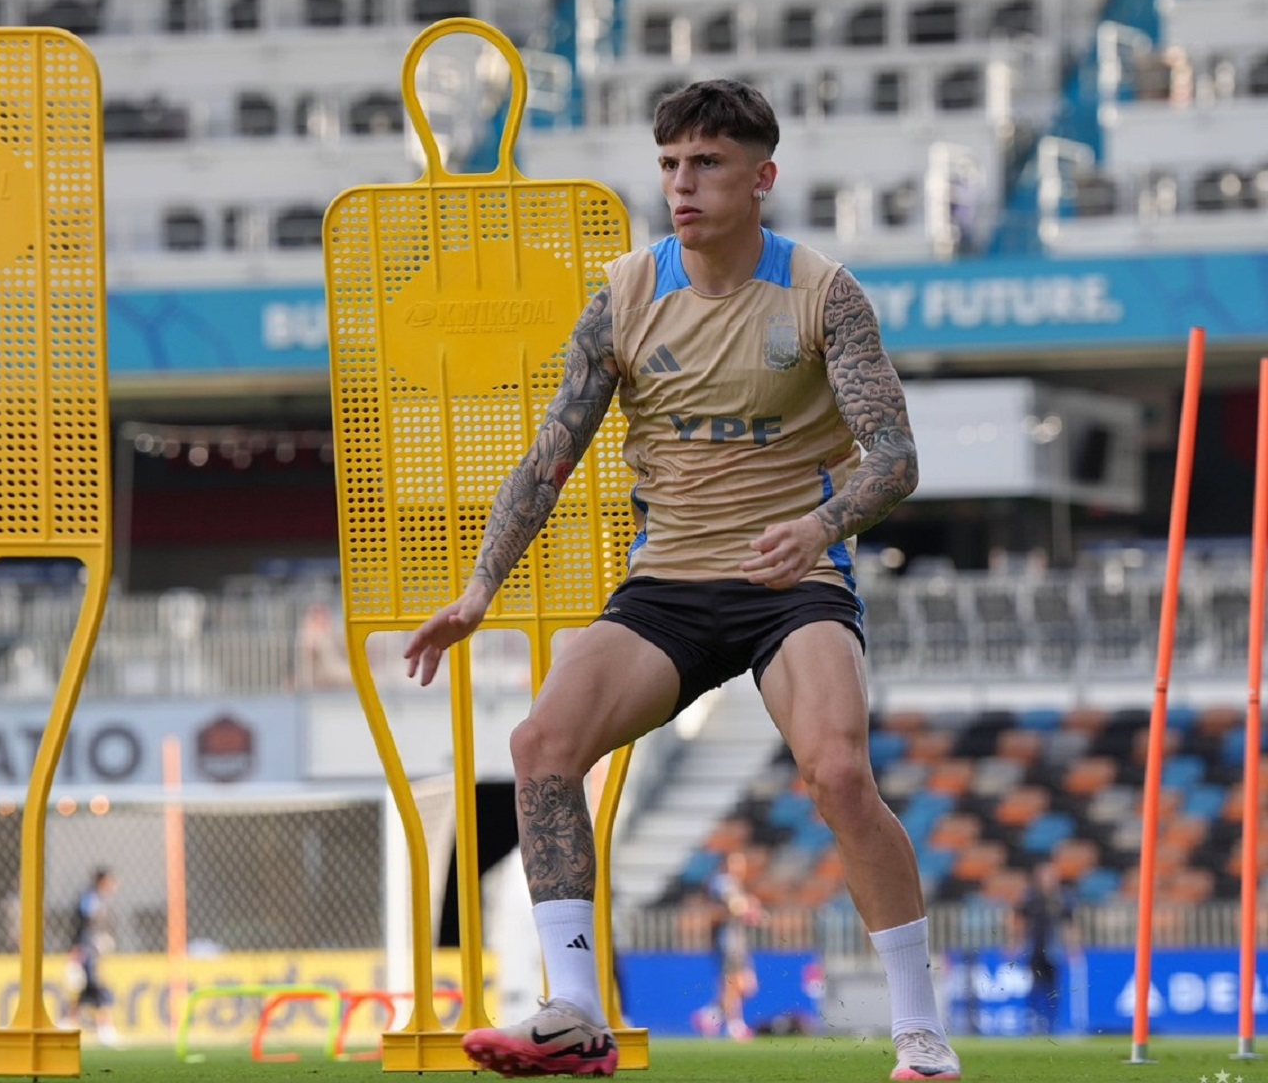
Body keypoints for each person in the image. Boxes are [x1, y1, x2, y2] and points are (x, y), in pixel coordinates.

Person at [402, 80, 959, 1080]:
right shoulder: (622, 294)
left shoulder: (825, 293)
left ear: (762, 177)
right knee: (540, 743)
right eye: (669, 164)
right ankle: (575, 1010)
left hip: (793, 581)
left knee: (836, 772)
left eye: (705, 163)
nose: (681, 184)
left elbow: (896, 459)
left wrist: (820, 525)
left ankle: (922, 1031)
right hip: (666, 585)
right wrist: (479, 589)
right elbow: (548, 457)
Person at [1014, 859, 1078, 1035]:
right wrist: (1016, 944)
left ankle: (1052, 1023)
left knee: (1054, 988)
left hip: (1053, 950)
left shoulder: (1062, 899)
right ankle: (1033, 1021)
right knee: (1033, 986)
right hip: (1035, 949)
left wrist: (1073, 948)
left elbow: (1068, 925)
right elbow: (1020, 921)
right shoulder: (1031, 897)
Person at [707, 851, 762, 1042]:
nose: (738, 868)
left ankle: (711, 1014)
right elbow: (734, 905)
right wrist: (749, 907)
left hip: (738, 938)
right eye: (734, 863)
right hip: (728, 938)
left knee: (747, 986)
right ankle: (734, 1024)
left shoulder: (735, 884)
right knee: (733, 982)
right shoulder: (722, 881)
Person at [66, 867, 121, 1046]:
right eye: (111, 880)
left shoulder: (99, 899)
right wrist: (76, 947)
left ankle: (69, 1020)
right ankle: (105, 1027)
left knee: (87, 989)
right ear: (102, 881)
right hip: (87, 950)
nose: (114, 884)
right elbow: (81, 923)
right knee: (96, 987)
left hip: (93, 950)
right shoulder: (91, 898)